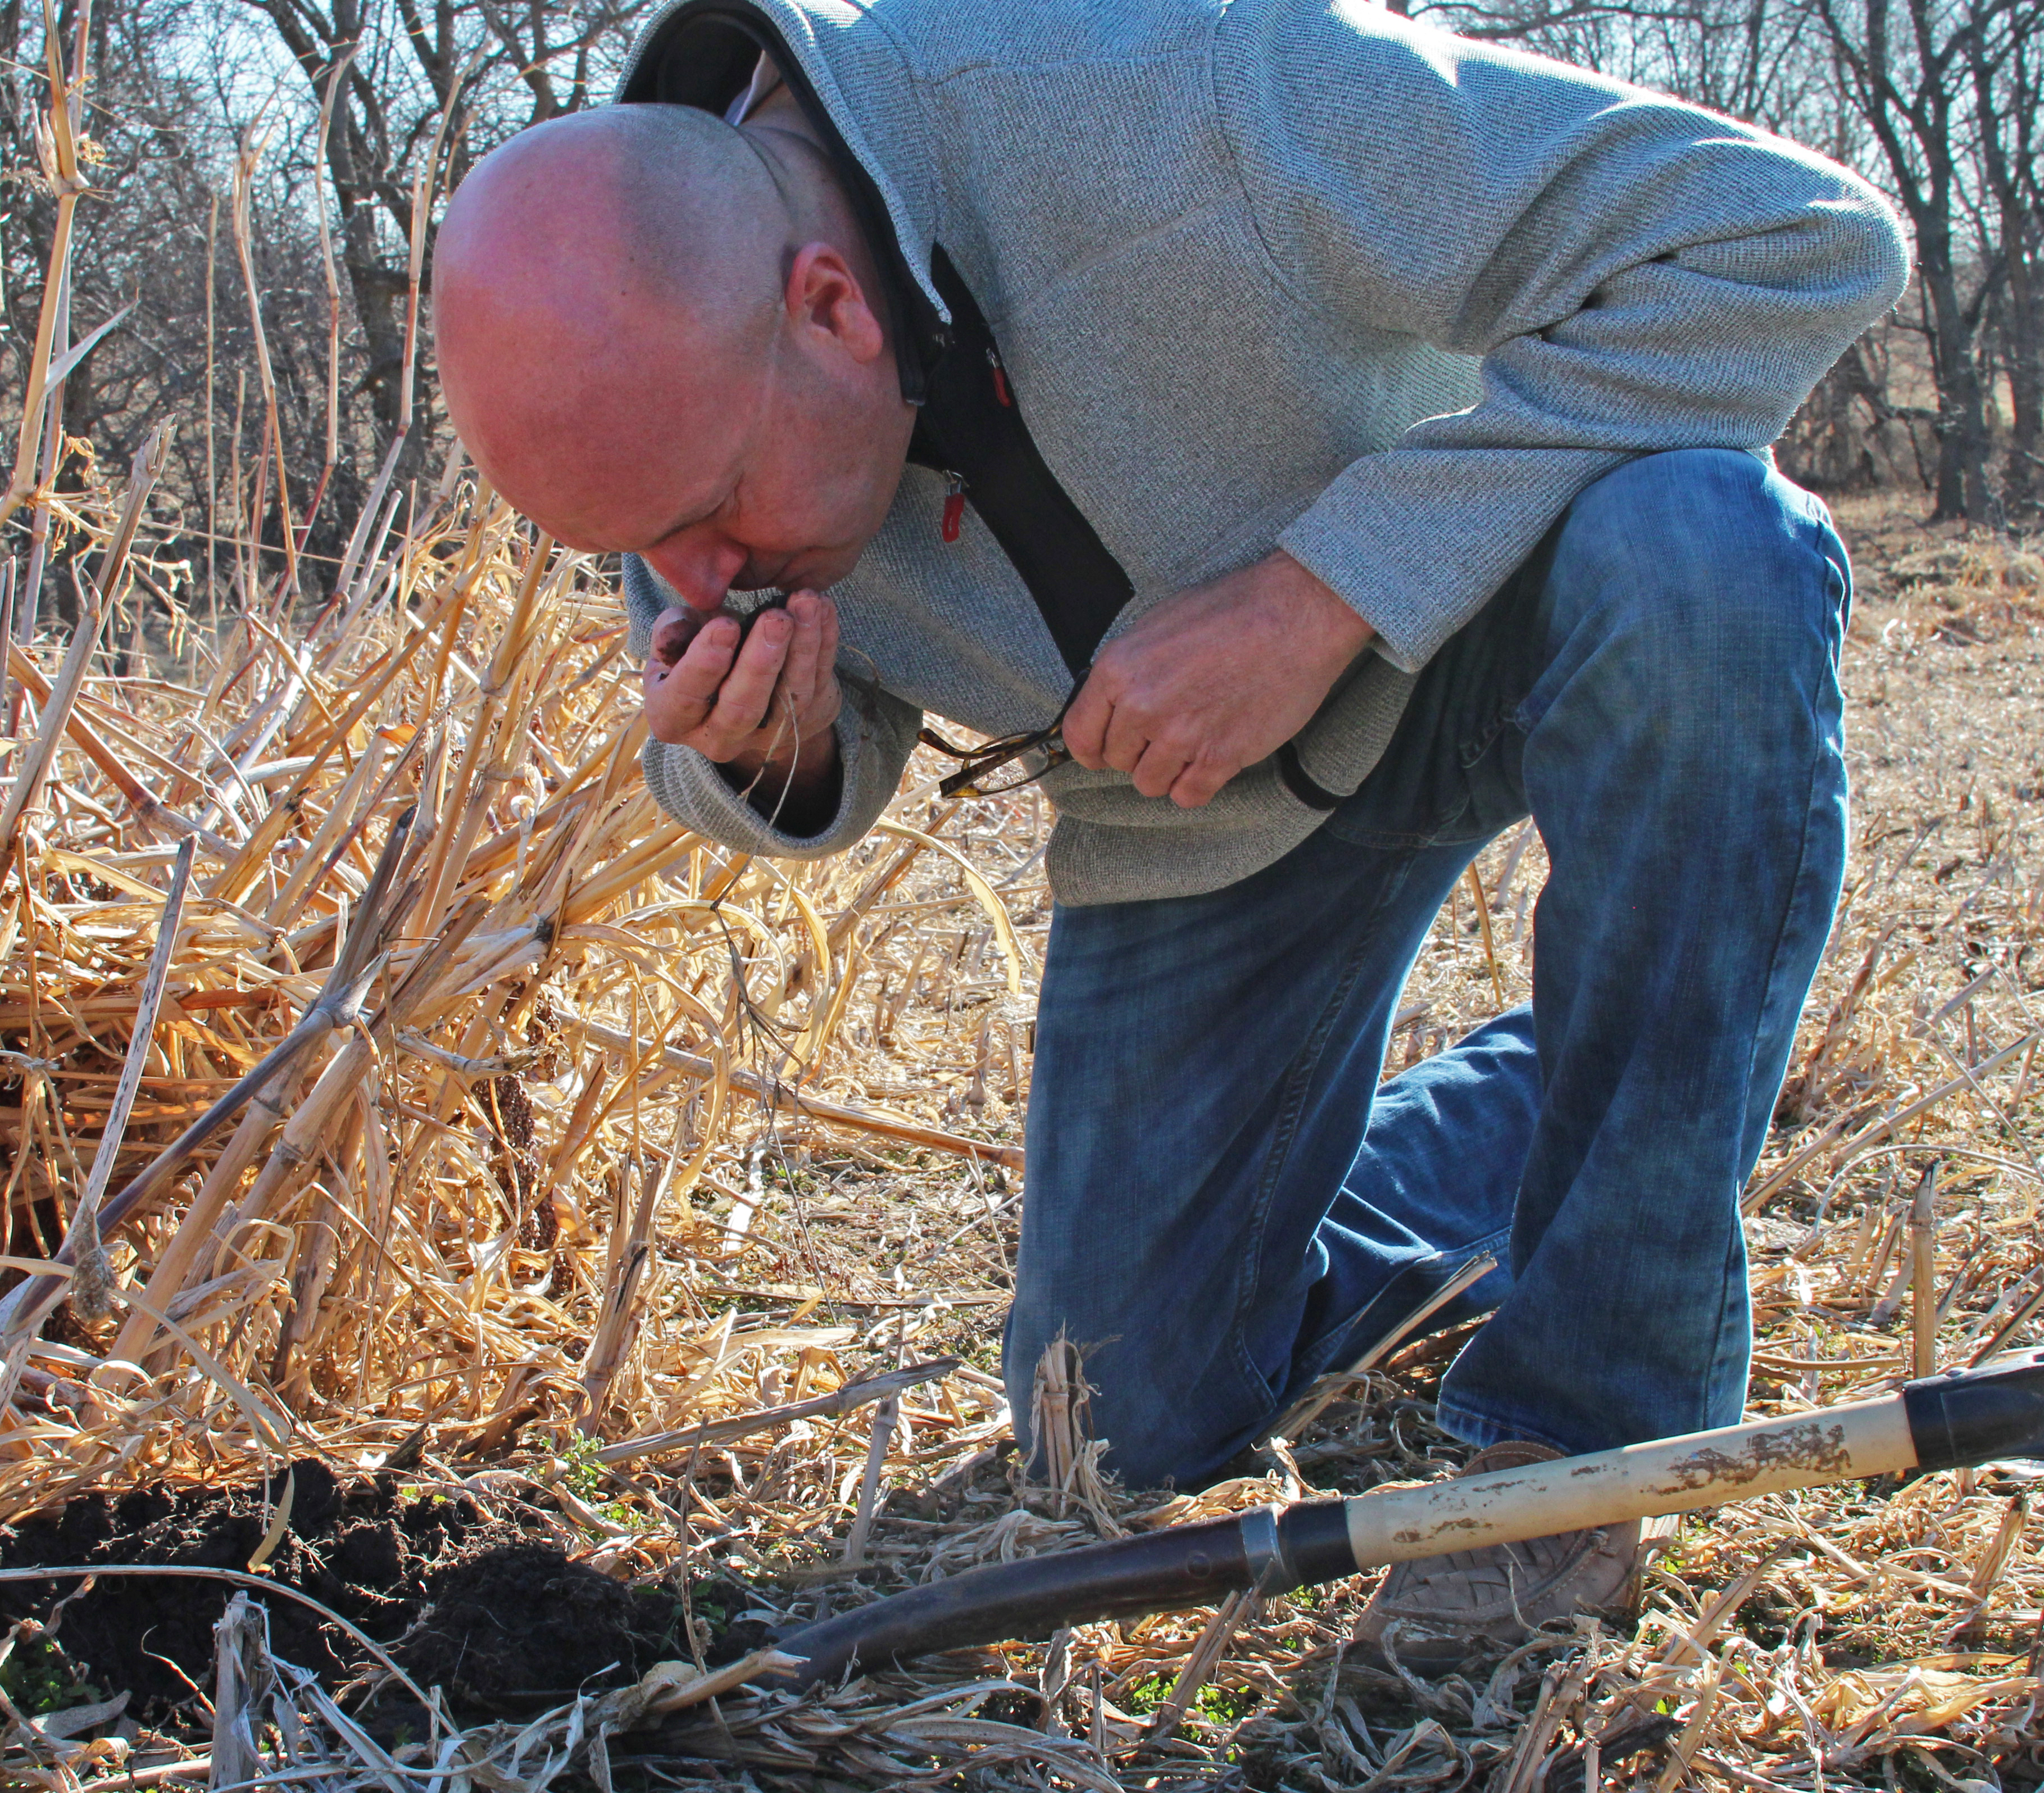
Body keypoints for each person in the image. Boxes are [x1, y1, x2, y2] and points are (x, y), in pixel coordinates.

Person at [430, 0, 1909, 1661]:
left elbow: (1799, 237)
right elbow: (802, 747)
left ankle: (1588, 1425)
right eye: (632, 552)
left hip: (1493, 620)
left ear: (832, 309)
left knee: (1712, 543)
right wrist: (762, 754)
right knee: (1122, 1424)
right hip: (1185, 817)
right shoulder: (662, 373)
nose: (684, 584)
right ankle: (1597, 1084)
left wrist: (1319, 594)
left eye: (703, 526)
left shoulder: (1184, 86)